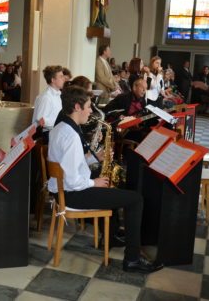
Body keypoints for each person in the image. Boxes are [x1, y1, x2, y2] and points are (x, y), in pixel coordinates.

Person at [47, 85, 163, 274]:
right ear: (77, 107)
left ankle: (113, 235)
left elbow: (69, 163)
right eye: (88, 106)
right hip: (73, 194)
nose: (91, 110)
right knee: (135, 199)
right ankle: (132, 259)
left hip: (62, 189)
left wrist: (95, 158)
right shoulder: (71, 136)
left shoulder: (60, 127)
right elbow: (74, 180)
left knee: (112, 183)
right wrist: (95, 183)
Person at [32, 65, 66, 142]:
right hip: (46, 135)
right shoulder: (46, 97)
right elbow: (40, 120)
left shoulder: (57, 95)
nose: (63, 79)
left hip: (54, 132)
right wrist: (61, 122)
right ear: (53, 80)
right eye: (61, 77)